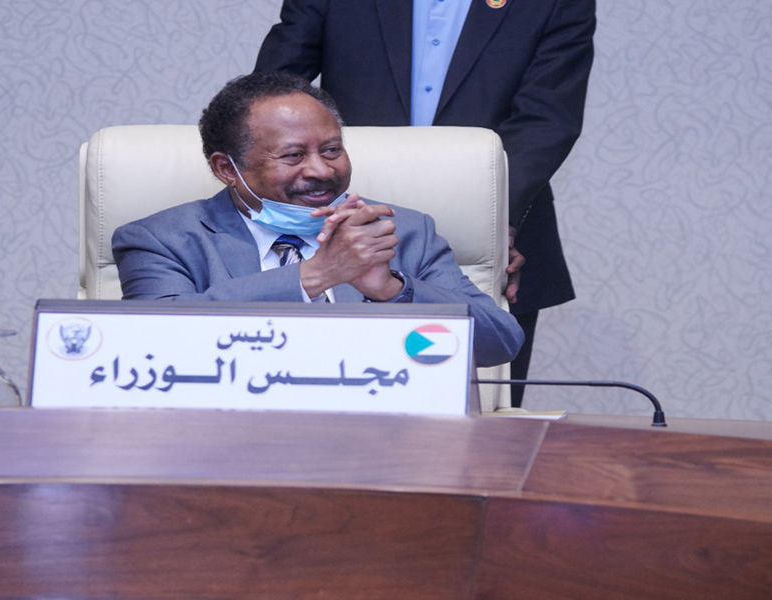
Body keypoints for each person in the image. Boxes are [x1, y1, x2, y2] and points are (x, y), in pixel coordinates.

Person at [254, 0, 596, 406]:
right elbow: (271, 98)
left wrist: (491, 224)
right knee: (316, 409)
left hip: (497, 227)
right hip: (338, 223)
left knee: (477, 419)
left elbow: (547, 120)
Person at [112, 72, 523, 368]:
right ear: (226, 169)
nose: (322, 171)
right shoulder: (161, 240)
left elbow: (499, 344)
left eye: (331, 150)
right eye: (293, 156)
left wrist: (392, 290)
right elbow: (154, 343)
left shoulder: (403, 231)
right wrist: (317, 275)